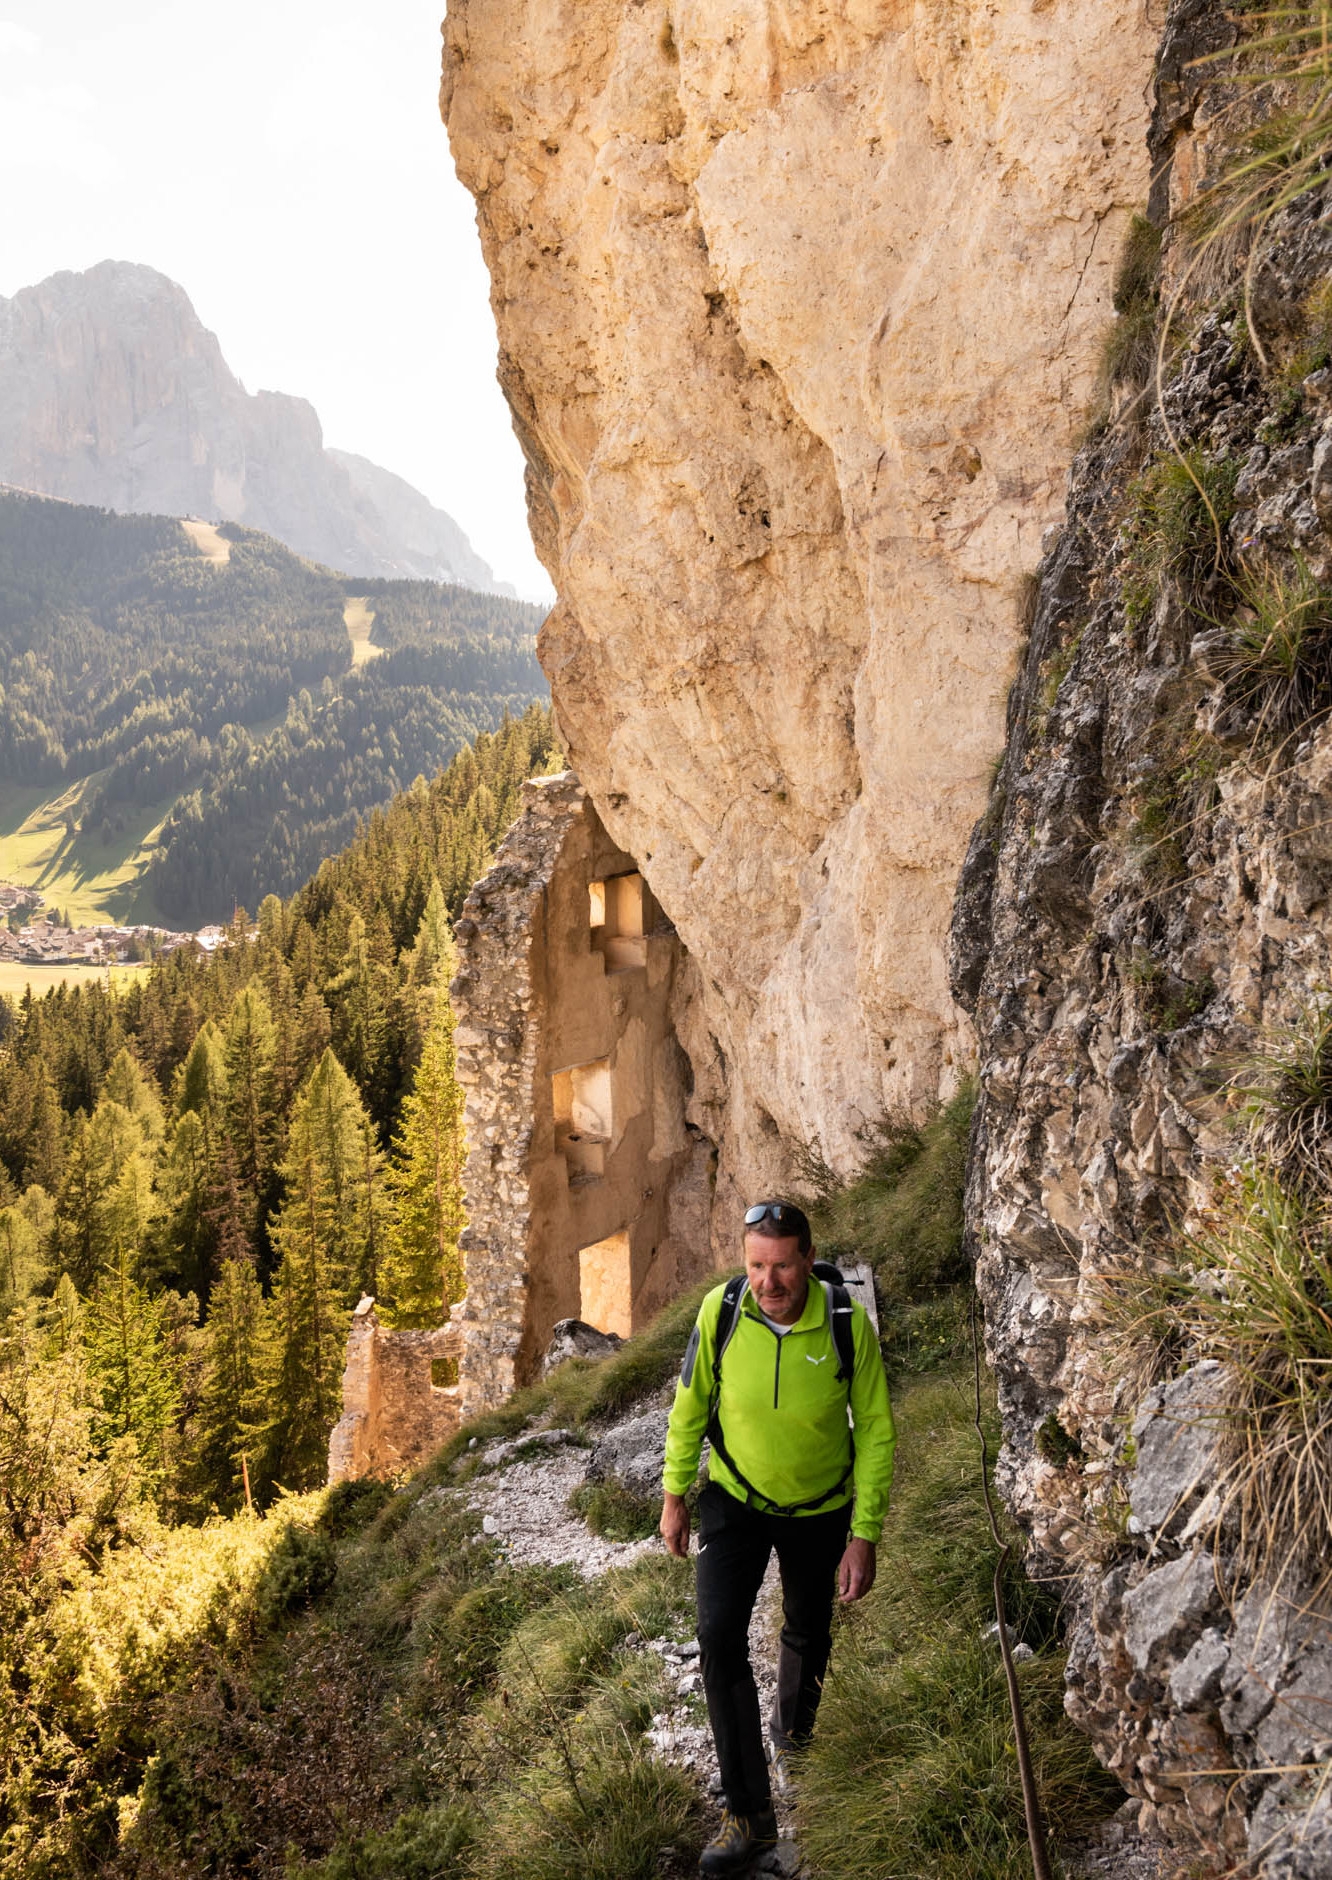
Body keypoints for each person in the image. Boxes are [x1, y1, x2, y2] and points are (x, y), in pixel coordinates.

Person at [660, 1200, 896, 1876]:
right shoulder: (722, 1311)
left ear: (807, 1259)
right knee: (718, 1636)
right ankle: (749, 1816)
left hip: (820, 1507)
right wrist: (675, 1497)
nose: (769, 1282)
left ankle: (795, 1737)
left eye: (783, 1265)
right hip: (733, 1497)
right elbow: (689, 1406)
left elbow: (876, 1431)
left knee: (808, 1626)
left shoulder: (847, 1324)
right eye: (757, 1266)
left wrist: (865, 1533)